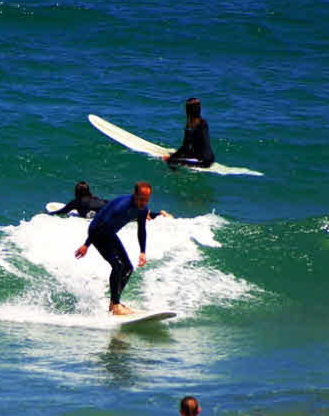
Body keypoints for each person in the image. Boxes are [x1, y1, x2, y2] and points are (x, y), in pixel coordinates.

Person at [74, 181, 153, 316]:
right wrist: (86, 245)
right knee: (117, 265)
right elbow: (100, 225)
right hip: (97, 232)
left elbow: (141, 230)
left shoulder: (142, 209)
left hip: (109, 233)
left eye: (146, 200)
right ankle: (116, 306)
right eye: (141, 199)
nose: (143, 202)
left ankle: (113, 302)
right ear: (135, 195)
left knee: (128, 268)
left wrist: (142, 252)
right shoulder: (122, 207)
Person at [51, 181, 171, 220]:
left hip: (108, 214)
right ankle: (158, 215)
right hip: (109, 205)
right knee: (132, 213)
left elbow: (61, 211)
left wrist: (47, 215)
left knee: (131, 217)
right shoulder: (95, 198)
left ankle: (149, 214)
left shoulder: (75, 202)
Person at [163, 97, 215, 169]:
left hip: (204, 162)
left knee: (170, 161)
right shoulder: (203, 123)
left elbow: (185, 148)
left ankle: (176, 176)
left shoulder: (191, 127)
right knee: (178, 156)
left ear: (187, 111)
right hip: (208, 157)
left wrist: (172, 157)